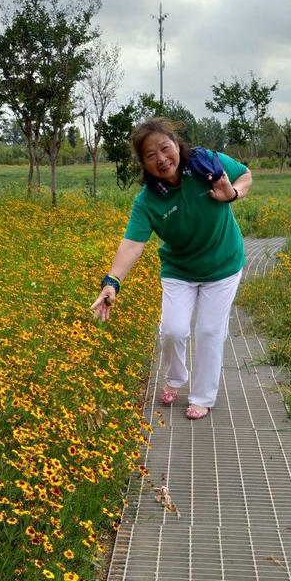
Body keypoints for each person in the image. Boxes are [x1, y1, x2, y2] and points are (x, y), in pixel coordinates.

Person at [91, 117, 252, 420]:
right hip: (180, 269)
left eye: (166, 148)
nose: (162, 159)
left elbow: (245, 175)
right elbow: (132, 244)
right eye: (151, 156)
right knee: (173, 330)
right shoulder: (147, 201)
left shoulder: (207, 165)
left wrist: (232, 194)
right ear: (143, 163)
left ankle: (203, 397)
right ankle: (175, 378)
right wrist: (111, 282)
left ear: (177, 145)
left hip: (224, 264)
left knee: (208, 331)